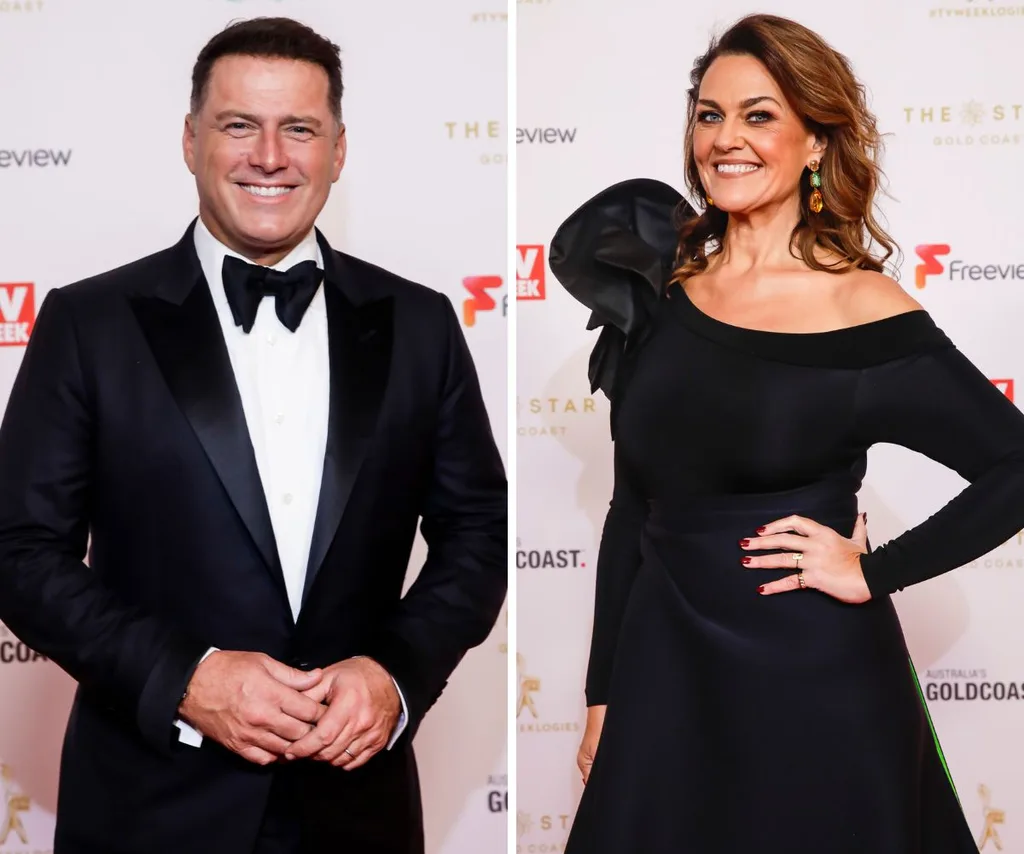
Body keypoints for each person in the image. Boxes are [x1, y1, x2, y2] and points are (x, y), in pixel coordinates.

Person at [0, 16, 506, 854]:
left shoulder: (421, 325)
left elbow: (480, 533)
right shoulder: (89, 324)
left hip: (357, 809)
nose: (269, 156)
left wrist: (395, 674)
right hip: (150, 808)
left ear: (337, 151)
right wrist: (184, 678)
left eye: (298, 129)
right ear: (190, 141)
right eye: (239, 125)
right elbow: (19, 550)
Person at [548, 13, 1024, 853]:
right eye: (709, 114)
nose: (725, 139)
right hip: (665, 674)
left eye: (759, 115)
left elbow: (1014, 467)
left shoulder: (861, 308)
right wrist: (602, 692)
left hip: (814, 682)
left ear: (816, 142)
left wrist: (875, 570)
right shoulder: (662, 284)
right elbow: (632, 507)